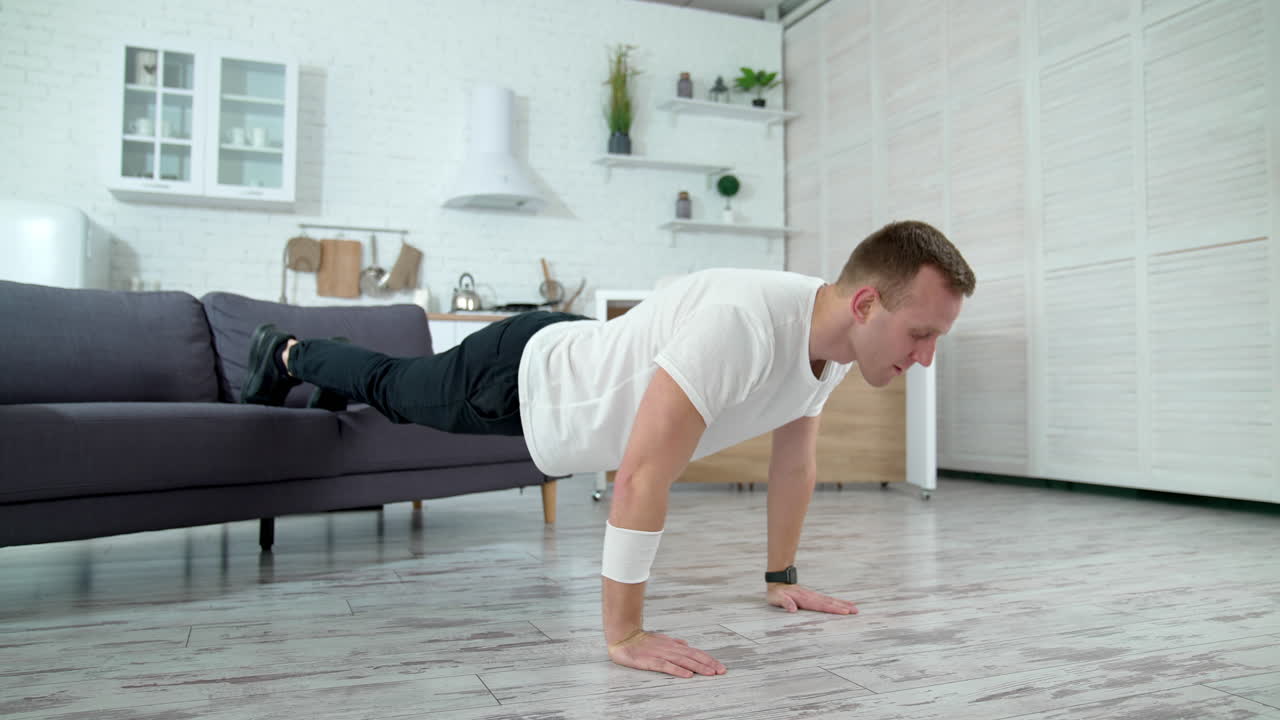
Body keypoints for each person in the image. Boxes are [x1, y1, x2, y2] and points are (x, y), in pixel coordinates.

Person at [241, 219, 976, 678]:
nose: (926, 358)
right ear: (865, 303)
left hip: (559, 358)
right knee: (396, 387)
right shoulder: (744, 325)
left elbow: (795, 458)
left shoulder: (831, 345)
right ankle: (289, 352)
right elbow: (642, 474)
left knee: (390, 387)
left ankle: (316, 367)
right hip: (520, 378)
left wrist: (779, 575)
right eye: (922, 335)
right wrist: (624, 632)